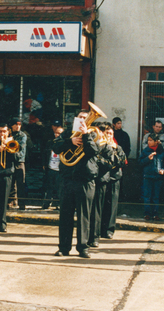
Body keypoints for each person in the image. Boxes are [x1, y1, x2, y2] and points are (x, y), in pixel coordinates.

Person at [52, 109, 99, 259]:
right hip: (67, 179)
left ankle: (83, 247)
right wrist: (70, 141)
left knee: (84, 215)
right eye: (80, 118)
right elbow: (55, 147)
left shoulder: (93, 133)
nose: (83, 120)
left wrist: (85, 136)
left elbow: (93, 152)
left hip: (85, 180)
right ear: (76, 119)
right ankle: (64, 248)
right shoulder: (67, 133)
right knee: (65, 215)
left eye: (86, 118)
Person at [89, 123, 115, 248]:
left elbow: (110, 163)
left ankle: (94, 237)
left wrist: (96, 158)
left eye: (98, 131)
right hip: (89, 179)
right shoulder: (90, 143)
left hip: (101, 180)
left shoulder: (106, 146)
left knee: (96, 210)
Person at [101, 124, 127, 240]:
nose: (109, 135)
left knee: (112, 206)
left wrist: (113, 153)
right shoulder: (100, 146)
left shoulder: (118, 148)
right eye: (107, 133)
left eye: (111, 134)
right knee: (100, 205)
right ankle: (99, 229)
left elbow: (122, 161)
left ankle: (109, 230)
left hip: (114, 178)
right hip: (102, 178)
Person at [139, 133, 164, 221]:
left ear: (156, 142)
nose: (149, 142)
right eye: (148, 140)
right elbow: (140, 162)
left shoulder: (162, 151)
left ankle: (155, 214)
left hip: (158, 177)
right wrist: (148, 158)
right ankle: (147, 214)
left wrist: (163, 169)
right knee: (147, 196)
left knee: (156, 196)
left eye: (151, 140)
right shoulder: (145, 151)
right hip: (147, 176)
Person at [41, 125, 63, 209]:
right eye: (56, 133)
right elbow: (44, 153)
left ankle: (58, 204)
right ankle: (47, 202)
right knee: (49, 186)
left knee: (59, 187)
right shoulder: (50, 142)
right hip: (51, 167)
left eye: (59, 133)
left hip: (59, 168)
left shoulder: (64, 143)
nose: (57, 135)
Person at [8, 117, 28, 210]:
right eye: (16, 124)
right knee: (11, 183)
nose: (18, 126)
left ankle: (22, 203)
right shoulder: (8, 133)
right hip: (10, 160)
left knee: (21, 183)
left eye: (19, 124)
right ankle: (11, 201)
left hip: (19, 161)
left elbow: (20, 146)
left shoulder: (23, 135)